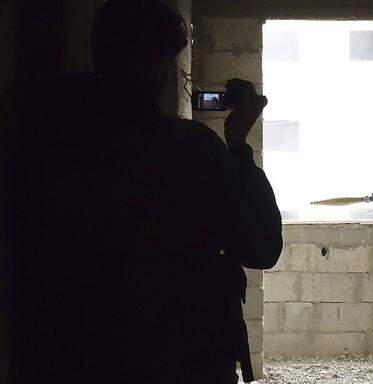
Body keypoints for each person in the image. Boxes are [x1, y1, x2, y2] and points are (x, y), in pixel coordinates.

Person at [9, 1, 282, 383]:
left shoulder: (52, 147)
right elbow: (262, 245)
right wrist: (237, 145)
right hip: (184, 361)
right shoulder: (191, 151)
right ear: (159, 72)